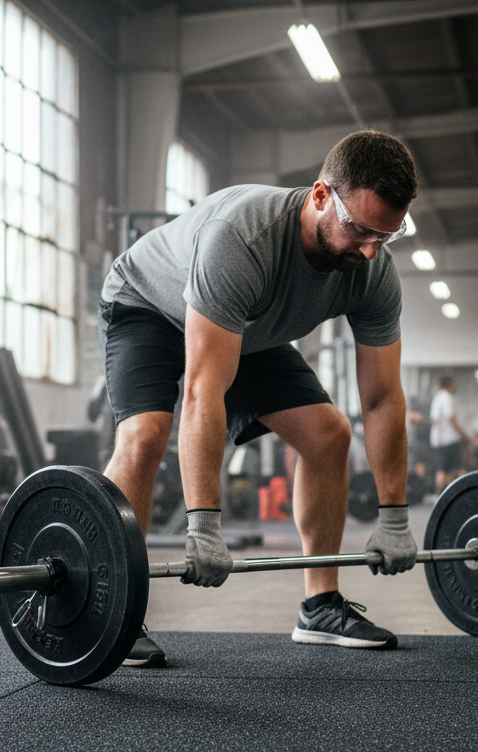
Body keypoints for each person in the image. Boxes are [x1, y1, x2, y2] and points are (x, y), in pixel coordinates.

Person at [98, 130, 419, 666]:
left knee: (328, 435)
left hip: (245, 329)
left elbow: (383, 398)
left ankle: (320, 607)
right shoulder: (243, 237)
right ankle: (110, 609)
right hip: (149, 306)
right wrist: (203, 525)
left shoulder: (373, 272)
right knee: (146, 434)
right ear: (321, 196)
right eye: (360, 229)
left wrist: (395, 516)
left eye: (385, 235)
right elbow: (203, 392)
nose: (369, 249)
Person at [428, 376, 469, 494]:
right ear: (449, 384)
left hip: (438, 441)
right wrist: (463, 434)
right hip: (450, 440)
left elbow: (433, 419)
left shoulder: (437, 398)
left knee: (442, 469)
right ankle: (465, 493)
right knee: (457, 468)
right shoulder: (447, 398)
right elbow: (451, 418)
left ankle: (440, 496)